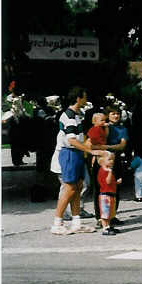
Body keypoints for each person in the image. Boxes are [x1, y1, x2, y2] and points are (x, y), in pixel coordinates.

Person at [50, 87, 100, 234]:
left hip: (76, 154)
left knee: (78, 187)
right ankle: (57, 223)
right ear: (78, 98)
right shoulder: (69, 116)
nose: (86, 100)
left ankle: (76, 222)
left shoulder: (77, 115)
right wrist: (89, 150)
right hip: (69, 154)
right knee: (70, 188)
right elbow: (71, 140)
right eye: (84, 97)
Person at [105, 105, 129, 223]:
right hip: (104, 160)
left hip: (117, 159)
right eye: (113, 113)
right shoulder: (104, 127)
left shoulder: (122, 129)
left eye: (117, 113)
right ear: (107, 115)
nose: (116, 116)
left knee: (116, 188)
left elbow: (122, 145)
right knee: (103, 189)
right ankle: (102, 216)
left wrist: (107, 147)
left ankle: (113, 215)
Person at [86, 112, 110, 223]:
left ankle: (104, 214)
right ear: (94, 121)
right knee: (98, 187)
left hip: (102, 156)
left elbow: (105, 137)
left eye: (104, 120)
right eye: (101, 120)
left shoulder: (102, 129)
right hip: (98, 157)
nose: (104, 122)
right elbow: (91, 144)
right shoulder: (94, 130)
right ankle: (99, 215)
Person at [96, 151, 122, 235]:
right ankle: (105, 228)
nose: (112, 161)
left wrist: (116, 182)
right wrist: (110, 172)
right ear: (101, 161)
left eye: (113, 159)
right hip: (105, 195)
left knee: (110, 212)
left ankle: (108, 226)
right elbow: (107, 181)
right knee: (105, 213)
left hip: (110, 194)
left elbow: (111, 182)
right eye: (109, 159)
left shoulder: (107, 170)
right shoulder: (104, 171)